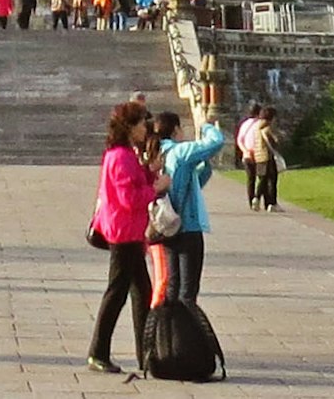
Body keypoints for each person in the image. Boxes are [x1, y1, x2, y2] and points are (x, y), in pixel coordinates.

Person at [86, 102, 163, 375]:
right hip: (124, 231)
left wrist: (150, 170)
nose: (147, 128)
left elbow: (136, 184)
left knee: (141, 292)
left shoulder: (126, 154)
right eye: (142, 123)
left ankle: (147, 354)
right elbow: (129, 198)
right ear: (130, 127)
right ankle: (98, 352)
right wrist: (155, 188)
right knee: (117, 292)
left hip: (129, 231)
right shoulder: (121, 157)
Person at [154, 92, 229, 305]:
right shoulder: (180, 152)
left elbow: (195, 180)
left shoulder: (159, 152)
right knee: (187, 291)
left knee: (173, 286)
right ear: (176, 130)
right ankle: (186, 334)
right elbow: (216, 141)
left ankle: (169, 332)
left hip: (167, 225)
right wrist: (204, 124)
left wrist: (204, 163)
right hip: (188, 227)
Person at [234, 103, 279, 212]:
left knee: (251, 180)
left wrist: (245, 151)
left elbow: (240, 139)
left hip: (247, 154)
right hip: (259, 154)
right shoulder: (260, 124)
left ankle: (252, 202)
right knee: (265, 178)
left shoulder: (245, 124)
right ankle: (266, 201)